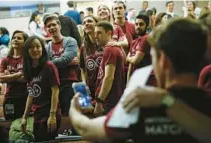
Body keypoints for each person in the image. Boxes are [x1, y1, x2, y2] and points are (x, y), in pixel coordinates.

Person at [69, 18, 211, 143]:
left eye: (153, 57)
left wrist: (74, 109)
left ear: (163, 61)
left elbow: (87, 129)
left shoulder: (141, 102)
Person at [21, 36, 61, 142]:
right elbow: (31, 94)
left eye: (38, 46)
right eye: (31, 47)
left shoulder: (49, 66)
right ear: (27, 51)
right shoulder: (28, 69)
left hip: (49, 113)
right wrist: (24, 117)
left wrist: (52, 115)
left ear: (42, 48)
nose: (35, 50)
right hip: (37, 114)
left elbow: (55, 91)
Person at [44, 15, 79, 117]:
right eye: (48, 26)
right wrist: (67, 63)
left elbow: (64, 60)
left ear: (59, 26)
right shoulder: (47, 47)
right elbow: (45, 66)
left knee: (70, 115)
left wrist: (53, 63)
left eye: (54, 24)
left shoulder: (70, 41)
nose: (51, 28)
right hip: (54, 85)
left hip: (70, 83)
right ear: (46, 29)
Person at [93, 21, 125, 115]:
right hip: (111, 100)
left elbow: (109, 77)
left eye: (99, 33)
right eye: (95, 33)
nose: (95, 36)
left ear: (109, 33)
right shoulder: (115, 48)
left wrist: (99, 101)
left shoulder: (110, 49)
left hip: (109, 102)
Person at [0, 30, 28, 120]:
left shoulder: (27, 59)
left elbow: (27, 78)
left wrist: (10, 76)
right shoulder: (5, 60)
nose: (15, 40)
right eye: (14, 38)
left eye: (19, 38)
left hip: (25, 98)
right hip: (9, 99)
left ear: (25, 42)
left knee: (24, 122)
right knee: (10, 121)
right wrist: (19, 74)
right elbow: (2, 79)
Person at [126, 14, 153, 84]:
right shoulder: (134, 41)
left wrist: (128, 58)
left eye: (141, 24)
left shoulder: (146, 38)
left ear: (147, 26)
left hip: (146, 79)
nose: (138, 27)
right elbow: (130, 65)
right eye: (136, 24)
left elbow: (135, 61)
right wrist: (128, 84)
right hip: (135, 79)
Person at [80, 15, 102, 99]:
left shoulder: (104, 43)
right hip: (91, 87)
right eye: (84, 23)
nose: (86, 24)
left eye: (89, 21)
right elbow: (82, 68)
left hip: (104, 86)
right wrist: (84, 84)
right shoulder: (83, 47)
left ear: (97, 24)